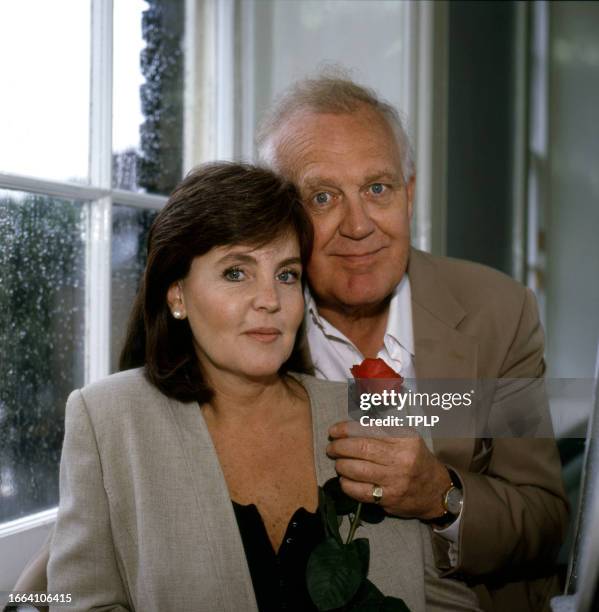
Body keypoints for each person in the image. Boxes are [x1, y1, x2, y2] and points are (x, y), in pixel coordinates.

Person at [45, 163, 480, 612]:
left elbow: (446, 601)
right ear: (176, 295)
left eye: (287, 274)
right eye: (237, 272)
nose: (270, 299)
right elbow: (75, 602)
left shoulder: (379, 416)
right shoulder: (108, 420)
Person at [256, 76, 569, 611]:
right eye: (323, 197)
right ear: (284, 217)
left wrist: (440, 496)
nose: (358, 226)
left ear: (410, 193)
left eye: (378, 188)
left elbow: (543, 518)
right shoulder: (255, 329)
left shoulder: (500, 312)